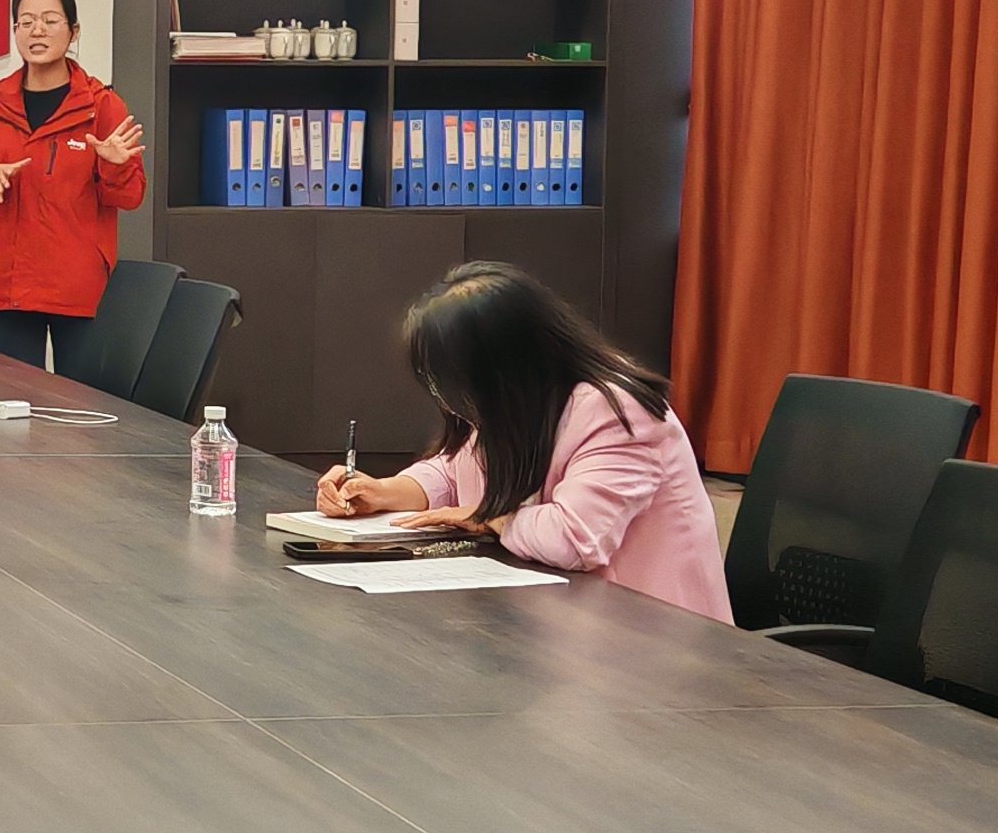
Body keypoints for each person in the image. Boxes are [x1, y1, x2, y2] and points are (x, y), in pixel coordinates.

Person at [311, 262, 731, 620]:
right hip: (556, 617)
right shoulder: (518, 402)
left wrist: (490, 518)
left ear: (505, 367)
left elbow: (574, 539)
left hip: (650, 637)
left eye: (448, 385)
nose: (446, 402)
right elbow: (456, 469)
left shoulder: (617, 412)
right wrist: (386, 492)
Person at [0, 0, 147, 372]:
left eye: (51, 21)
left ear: (73, 32)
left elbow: (130, 197)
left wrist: (114, 165)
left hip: (78, 284)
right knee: (16, 397)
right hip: (10, 283)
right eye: (26, 22)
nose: (37, 30)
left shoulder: (102, 105)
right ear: (15, 30)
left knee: (79, 402)